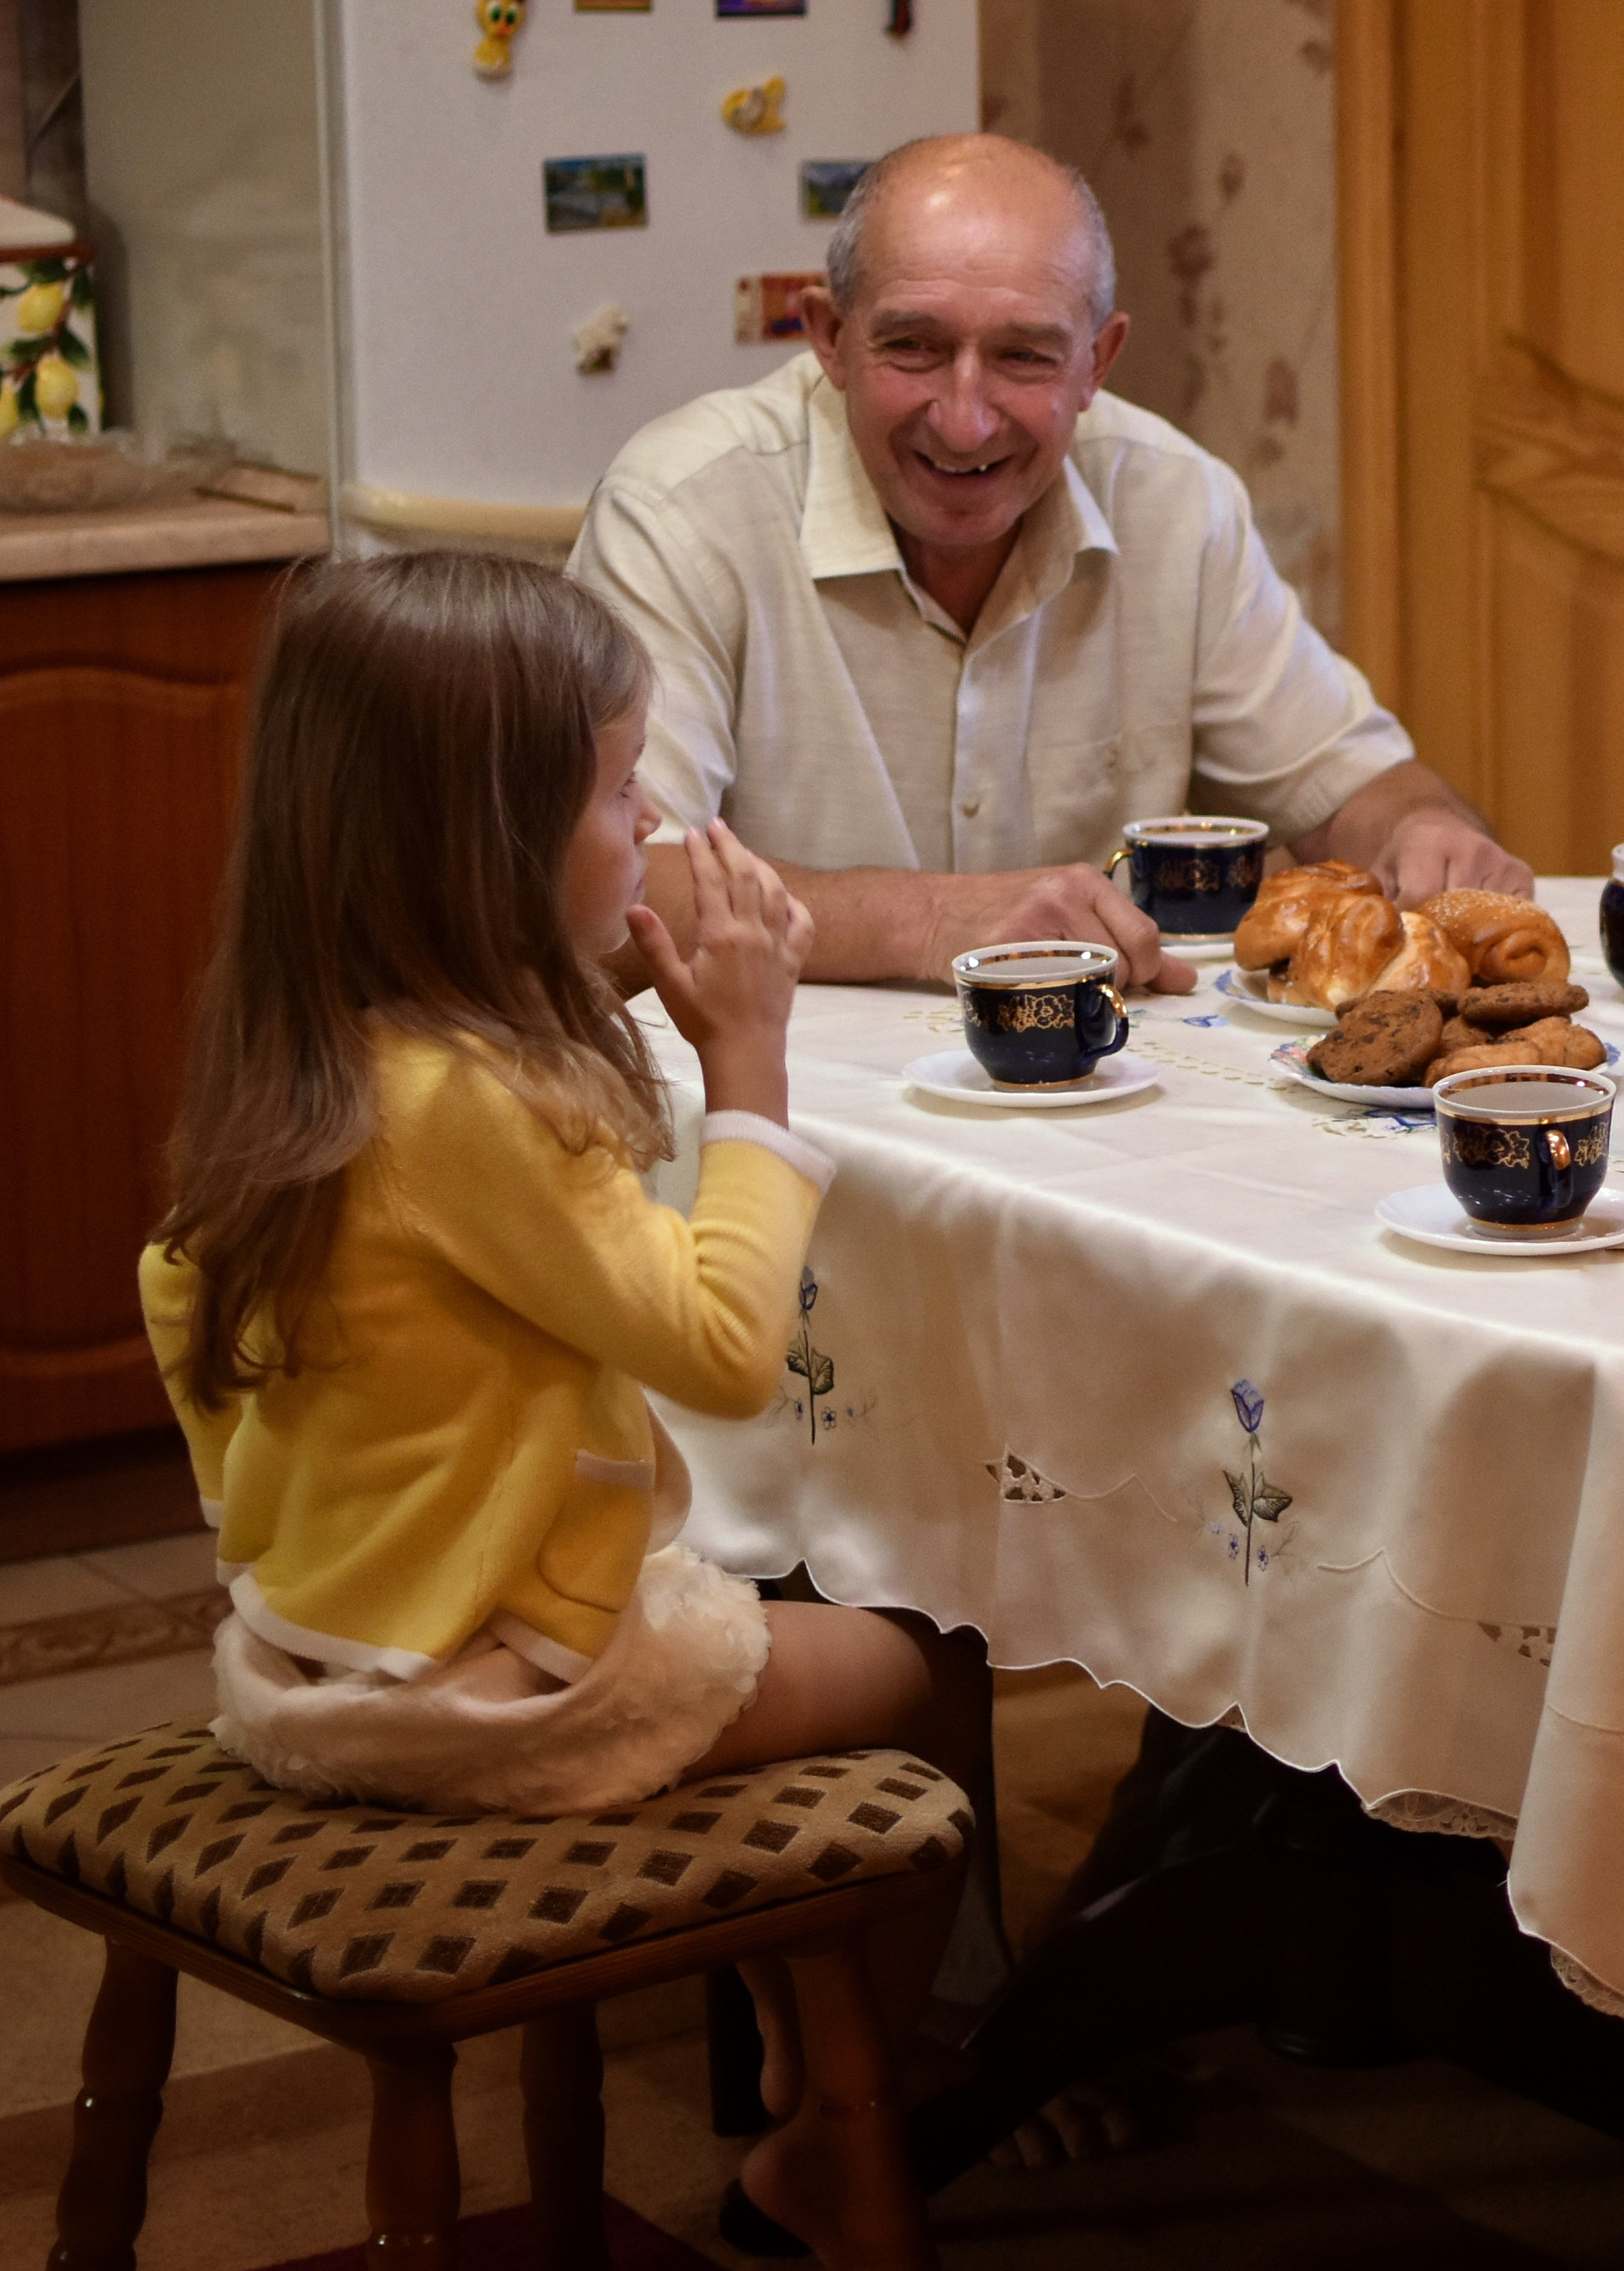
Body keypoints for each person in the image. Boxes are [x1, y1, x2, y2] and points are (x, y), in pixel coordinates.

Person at [139, 551, 989, 2267]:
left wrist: (313, 1535)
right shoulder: (476, 1107)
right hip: (489, 1698)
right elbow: (724, 1346)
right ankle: (835, 2118)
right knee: (928, 1650)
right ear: (486, 844)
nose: (652, 821)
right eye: (615, 791)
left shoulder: (314, 1048)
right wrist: (749, 1064)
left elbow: (178, 1299)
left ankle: (797, 2065)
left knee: (762, 1610)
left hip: (318, 1655)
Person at [569, 132, 1530, 995]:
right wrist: (936, 921)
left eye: (1024, 358)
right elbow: (601, 891)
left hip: (1103, 1095)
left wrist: (1418, 831)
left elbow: (1353, 787)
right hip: (771, 1103)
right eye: (914, 347)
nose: (964, 420)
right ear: (829, 338)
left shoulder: (1176, 502)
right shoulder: (683, 507)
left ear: (1097, 363)